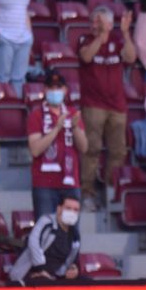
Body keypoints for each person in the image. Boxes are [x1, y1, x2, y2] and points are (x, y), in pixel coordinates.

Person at [78, 7, 137, 210]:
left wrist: (126, 34)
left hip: (117, 106)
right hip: (93, 105)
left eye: (100, 21)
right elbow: (86, 57)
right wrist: (101, 35)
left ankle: (111, 191)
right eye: (94, 21)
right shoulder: (85, 39)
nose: (95, 24)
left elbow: (130, 57)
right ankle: (87, 193)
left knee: (118, 151)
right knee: (91, 149)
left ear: (111, 24)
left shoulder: (118, 40)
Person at [28, 70, 88, 218]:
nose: (55, 91)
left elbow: (84, 147)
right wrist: (56, 129)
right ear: (45, 90)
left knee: (71, 233)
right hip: (44, 185)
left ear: (65, 90)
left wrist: (74, 128)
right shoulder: (36, 115)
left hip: (70, 183)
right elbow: (35, 150)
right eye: (51, 87)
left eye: (58, 87)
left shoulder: (73, 113)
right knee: (46, 229)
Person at [10, 196, 84, 283]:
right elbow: (33, 242)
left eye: (76, 210)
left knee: (89, 283)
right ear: (59, 209)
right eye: (68, 208)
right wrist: (40, 269)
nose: (72, 212)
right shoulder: (46, 221)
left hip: (56, 277)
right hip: (31, 273)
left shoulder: (75, 235)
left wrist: (73, 268)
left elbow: (71, 259)